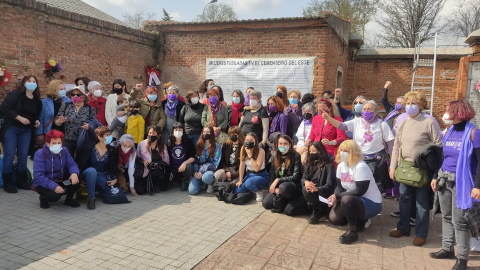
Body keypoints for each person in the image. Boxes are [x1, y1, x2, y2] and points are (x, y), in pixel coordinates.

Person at [429, 100, 480, 270]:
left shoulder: (474, 132)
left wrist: (478, 186)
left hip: (463, 182)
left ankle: (462, 258)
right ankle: (447, 248)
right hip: (445, 179)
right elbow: (443, 157)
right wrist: (436, 176)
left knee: (460, 221)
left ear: (458, 113)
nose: (445, 113)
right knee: (446, 216)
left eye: (447, 110)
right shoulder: (449, 131)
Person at [389, 91, 442, 246]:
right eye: (408, 103)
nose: (410, 106)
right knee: (404, 200)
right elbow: (397, 146)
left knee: (422, 203)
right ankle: (403, 228)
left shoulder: (428, 122)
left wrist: (434, 171)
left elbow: (438, 146)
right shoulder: (403, 123)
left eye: (414, 103)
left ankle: (421, 233)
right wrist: (393, 167)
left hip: (422, 169)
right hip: (404, 168)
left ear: (421, 105)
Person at [322, 100, 394, 192]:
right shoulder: (356, 122)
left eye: (369, 109)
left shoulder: (382, 124)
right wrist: (328, 118)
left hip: (376, 161)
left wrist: (392, 164)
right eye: (364, 109)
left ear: (376, 112)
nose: (366, 111)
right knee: (359, 184)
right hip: (359, 159)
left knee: (376, 186)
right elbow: (341, 126)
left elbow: (390, 144)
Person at [328, 140, 383, 244]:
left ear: (354, 152)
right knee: (334, 219)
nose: (343, 153)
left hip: (371, 202)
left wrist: (338, 196)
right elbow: (339, 186)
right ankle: (358, 220)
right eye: (342, 150)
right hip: (353, 199)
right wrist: (335, 195)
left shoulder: (361, 166)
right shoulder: (341, 166)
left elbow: (359, 191)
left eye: (346, 151)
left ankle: (352, 231)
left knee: (346, 199)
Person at [0, 75, 42, 192]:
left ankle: (21, 181)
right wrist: (19, 117)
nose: (32, 83)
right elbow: (4, 108)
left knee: (23, 155)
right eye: (29, 81)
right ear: (24, 83)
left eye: (34, 81)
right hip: (12, 128)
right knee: (9, 154)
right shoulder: (16, 94)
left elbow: (36, 115)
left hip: (26, 130)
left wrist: (36, 121)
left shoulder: (36, 99)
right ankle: (8, 183)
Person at [32, 130, 80, 209]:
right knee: (55, 196)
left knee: (77, 178)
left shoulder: (64, 150)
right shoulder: (40, 154)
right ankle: (44, 198)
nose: (57, 145)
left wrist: (74, 173)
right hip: (43, 184)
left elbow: (71, 164)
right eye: (54, 143)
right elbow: (39, 176)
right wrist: (54, 186)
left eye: (59, 143)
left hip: (60, 180)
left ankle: (69, 199)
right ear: (47, 144)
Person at [76, 126, 119, 210]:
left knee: (110, 194)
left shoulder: (112, 150)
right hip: (89, 174)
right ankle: (91, 198)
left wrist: (115, 178)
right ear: (99, 137)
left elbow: (113, 166)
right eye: (107, 135)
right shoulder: (88, 148)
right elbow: (79, 164)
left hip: (103, 175)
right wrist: (79, 179)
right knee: (92, 171)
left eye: (110, 135)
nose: (110, 137)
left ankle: (96, 189)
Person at [262, 135, 306, 216]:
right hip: (279, 186)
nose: (282, 146)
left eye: (285, 143)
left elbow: (296, 176)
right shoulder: (275, 156)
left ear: (290, 145)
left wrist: (278, 180)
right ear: (277, 145)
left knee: (284, 188)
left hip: (291, 186)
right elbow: (272, 175)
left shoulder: (296, 156)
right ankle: (283, 199)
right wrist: (273, 187)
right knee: (266, 204)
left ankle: (289, 199)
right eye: (280, 144)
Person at [55, 86, 96, 157]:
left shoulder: (89, 109)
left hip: (83, 141)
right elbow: (57, 121)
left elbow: (94, 125)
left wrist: (88, 127)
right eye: (73, 95)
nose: (75, 96)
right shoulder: (66, 106)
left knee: (80, 161)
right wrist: (59, 122)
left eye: (78, 95)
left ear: (83, 96)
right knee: (66, 160)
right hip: (67, 139)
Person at [381, 81, 405, 199]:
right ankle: (389, 191)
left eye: (400, 102)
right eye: (397, 102)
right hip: (388, 143)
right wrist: (386, 88)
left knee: (395, 166)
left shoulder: (406, 115)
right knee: (388, 166)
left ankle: (397, 192)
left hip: (398, 144)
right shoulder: (392, 111)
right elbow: (383, 101)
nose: (397, 104)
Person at [302, 141, 336, 224]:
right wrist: (306, 182)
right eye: (310, 151)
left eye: (314, 151)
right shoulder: (309, 164)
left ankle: (316, 211)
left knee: (333, 219)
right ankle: (314, 209)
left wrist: (317, 188)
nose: (311, 153)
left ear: (320, 151)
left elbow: (330, 185)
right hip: (309, 191)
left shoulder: (328, 166)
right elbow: (303, 178)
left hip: (322, 193)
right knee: (290, 210)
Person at [135, 126, 170, 194]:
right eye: (150, 133)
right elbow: (137, 158)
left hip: (156, 170)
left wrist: (156, 163)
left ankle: (155, 184)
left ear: (158, 135)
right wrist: (143, 161)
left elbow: (166, 161)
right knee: (140, 191)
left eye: (154, 133)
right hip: (144, 170)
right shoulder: (142, 144)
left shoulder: (162, 146)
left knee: (157, 174)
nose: (151, 135)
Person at [235, 132, 269, 201]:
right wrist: (240, 180)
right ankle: (251, 190)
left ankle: (258, 190)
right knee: (237, 190)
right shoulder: (243, 149)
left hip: (261, 174)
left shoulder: (261, 151)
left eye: (251, 140)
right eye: (247, 140)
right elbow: (242, 165)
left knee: (249, 183)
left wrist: (250, 156)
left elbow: (256, 168)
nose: (249, 142)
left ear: (255, 142)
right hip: (249, 174)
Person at [189, 125, 222, 195]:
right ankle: (202, 183)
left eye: (208, 132)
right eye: (204, 132)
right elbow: (195, 161)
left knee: (206, 177)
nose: (205, 134)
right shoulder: (198, 145)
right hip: (198, 171)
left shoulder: (216, 146)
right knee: (192, 191)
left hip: (210, 171)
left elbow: (215, 164)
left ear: (212, 133)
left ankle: (210, 184)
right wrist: (196, 172)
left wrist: (202, 171)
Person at [168, 122, 195, 191]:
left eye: (180, 130)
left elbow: (192, 157)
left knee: (189, 167)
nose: (178, 132)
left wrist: (184, 163)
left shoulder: (188, 142)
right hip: (174, 168)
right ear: (173, 131)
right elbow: (167, 158)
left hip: (184, 168)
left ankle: (185, 180)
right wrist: (169, 170)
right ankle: (176, 180)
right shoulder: (169, 142)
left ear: (183, 131)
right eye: (176, 130)